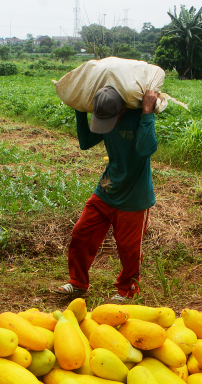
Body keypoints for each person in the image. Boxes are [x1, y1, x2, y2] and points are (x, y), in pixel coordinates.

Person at [52, 86, 160, 302]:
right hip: (107, 188)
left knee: (129, 250)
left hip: (134, 197)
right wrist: (79, 107)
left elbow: (146, 149)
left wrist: (147, 112)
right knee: (81, 234)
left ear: (121, 110)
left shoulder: (136, 116)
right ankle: (78, 282)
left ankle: (127, 291)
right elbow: (85, 142)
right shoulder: (104, 116)